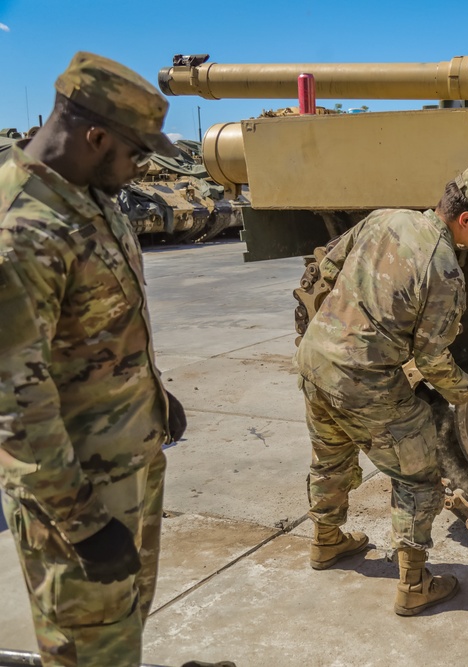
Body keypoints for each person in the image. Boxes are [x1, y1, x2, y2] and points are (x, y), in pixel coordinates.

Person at [0, 52, 190, 667]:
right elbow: (15, 406)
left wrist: (154, 396)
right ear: (95, 135)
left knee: (120, 638)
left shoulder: (91, 194)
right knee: (88, 654)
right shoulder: (22, 230)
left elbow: (99, 325)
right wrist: (81, 523)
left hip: (126, 469)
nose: (139, 170)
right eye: (136, 153)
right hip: (75, 499)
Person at [295, 163, 468, 616]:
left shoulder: (383, 217)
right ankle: (414, 585)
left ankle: (326, 542)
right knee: (418, 472)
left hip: (316, 358)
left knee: (330, 453)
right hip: (363, 378)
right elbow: (432, 360)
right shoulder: (445, 270)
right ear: (465, 219)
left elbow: (326, 269)